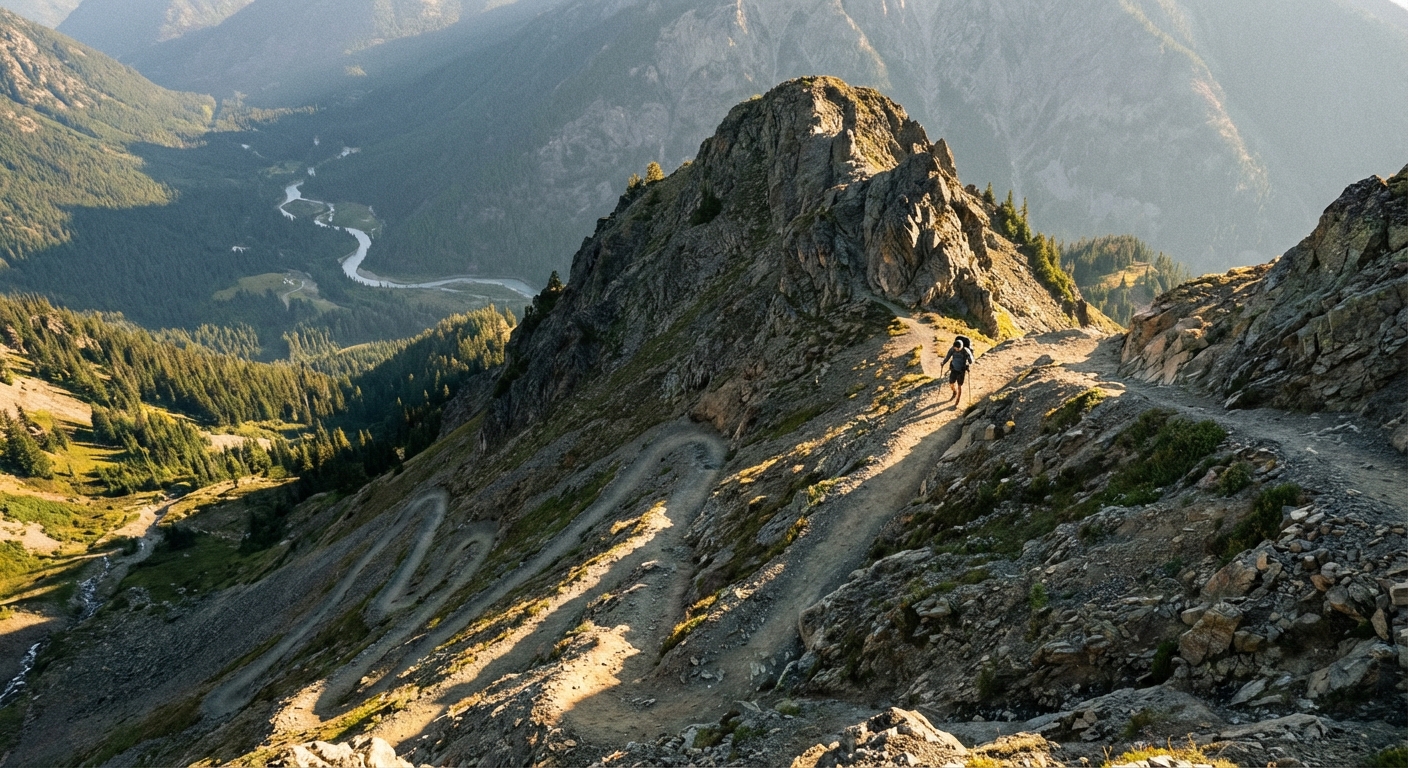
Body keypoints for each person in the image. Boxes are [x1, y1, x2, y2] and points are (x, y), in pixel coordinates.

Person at [940, 338, 975, 403]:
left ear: (961, 347)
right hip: (953, 368)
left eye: (957, 349)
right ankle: (954, 391)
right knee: (951, 383)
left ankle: (958, 398)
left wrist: (968, 365)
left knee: (959, 385)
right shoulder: (952, 349)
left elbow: (971, 360)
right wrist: (943, 362)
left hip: (961, 370)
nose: (956, 349)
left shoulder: (966, 351)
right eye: (955, 348)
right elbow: (948, 356)